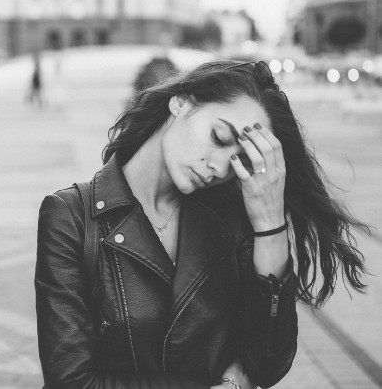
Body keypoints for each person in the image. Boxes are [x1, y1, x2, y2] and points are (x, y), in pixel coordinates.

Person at [35, 60, 368, 388]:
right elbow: (70, 381)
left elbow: (267, 364)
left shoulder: (231, 215)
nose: (220, 168)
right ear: (181, 104)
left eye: (239, 160)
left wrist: (270, 223)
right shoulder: (72, 216)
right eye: (220, 138)